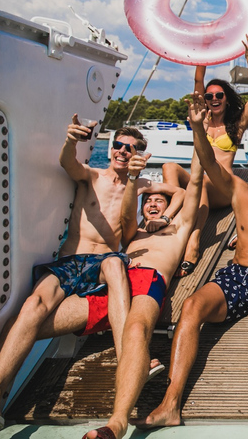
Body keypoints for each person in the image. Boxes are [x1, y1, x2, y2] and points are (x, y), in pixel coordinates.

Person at [0, 118, 180, 435]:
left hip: (105, 259)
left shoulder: (141, 184)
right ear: (111, 148)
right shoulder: (93, 176)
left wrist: (166, 215)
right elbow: (68, 163)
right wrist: (70, 141)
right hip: (71, 260)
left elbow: (179, 191)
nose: (121, 151)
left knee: (117, 265)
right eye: (117, 145)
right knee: (34, 306)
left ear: (139, 154)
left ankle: (130, 361)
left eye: (129, 148)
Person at [136, 92, 248, 432]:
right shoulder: (237, 189)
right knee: (190, 306)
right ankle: (170, 404)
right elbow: (208, 161)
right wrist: (199, 128)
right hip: (236, 273)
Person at [30, 147, 201, 439]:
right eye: (148, 202)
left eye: (160, 201)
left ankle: (116, 424)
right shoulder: (133, 233)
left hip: (149, 280)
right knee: (37, 324)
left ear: (170, 206)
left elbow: (194, 184)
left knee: (136, 330)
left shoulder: (179, 228)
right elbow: (126, 215)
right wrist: (135, 181)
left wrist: (200, 129)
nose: (154, 204)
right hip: (114, 283)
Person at [163, 33, 248, 276]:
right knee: (169, 167)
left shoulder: (236, 126)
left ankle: (193, 241)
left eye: (219, 95)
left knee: (204, 182)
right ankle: (176, 209)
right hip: (199, 183)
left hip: (221, 187)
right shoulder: (202, 120)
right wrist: (205, 50)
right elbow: (199, 77)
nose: (214, 99)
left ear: (226, 100)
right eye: (209, 96)